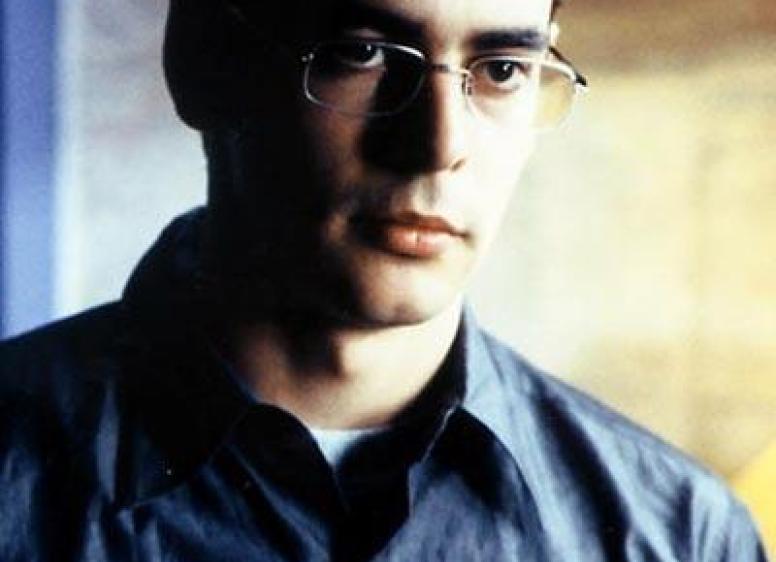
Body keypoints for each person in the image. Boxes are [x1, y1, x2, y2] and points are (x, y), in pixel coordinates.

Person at [0, 0, 768, 560]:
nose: (438, 144)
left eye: (502, 70)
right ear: (203, 61)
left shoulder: (683, 535)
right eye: (363, 53)